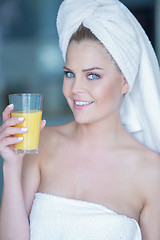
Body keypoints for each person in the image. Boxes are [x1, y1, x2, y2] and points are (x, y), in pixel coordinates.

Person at [0, 0, 160, 239]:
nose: (75, 88)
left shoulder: (151, 172)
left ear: (125, 80)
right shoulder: (40, 143)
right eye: (70, 74)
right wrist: (11, 167)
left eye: (93, 75)